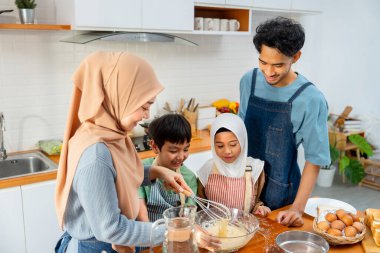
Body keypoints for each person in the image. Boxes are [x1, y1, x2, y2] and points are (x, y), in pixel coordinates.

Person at [54, 51, 194, 253]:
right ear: (119, 96)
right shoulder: (95, 155)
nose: (147, 114)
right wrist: (175, 230)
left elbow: (118, 176)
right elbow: (111, 229)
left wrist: (158, 172)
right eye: (144, 106)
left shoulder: (112, 135)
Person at [238, 17, 330, 227]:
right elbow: (241, 130)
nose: (269, 72)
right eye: (263, 62)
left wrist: (297, 208)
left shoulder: (310, 99)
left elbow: (315, 158)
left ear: (296, 57)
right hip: (244, 187)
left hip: (281, 193)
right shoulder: (248, 81)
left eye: (278, 65)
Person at [197, 113, 271, 216]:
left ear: (242, 141)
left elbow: (255, 202)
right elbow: (200, 205)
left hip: (243, 228)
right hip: (213, 228)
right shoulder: (207, 169)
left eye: (233, 144)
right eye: (220, 146)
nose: (227, 151)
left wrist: (260, 209)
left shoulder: (255, 168)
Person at [137, 114, 198, 220]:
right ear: (155, 146)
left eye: (186, 149)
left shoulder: (189, 177)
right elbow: (141, 215)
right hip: (148, 231)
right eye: (173, 151)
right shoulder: (140, 170)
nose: (181, 156)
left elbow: (188, 217)